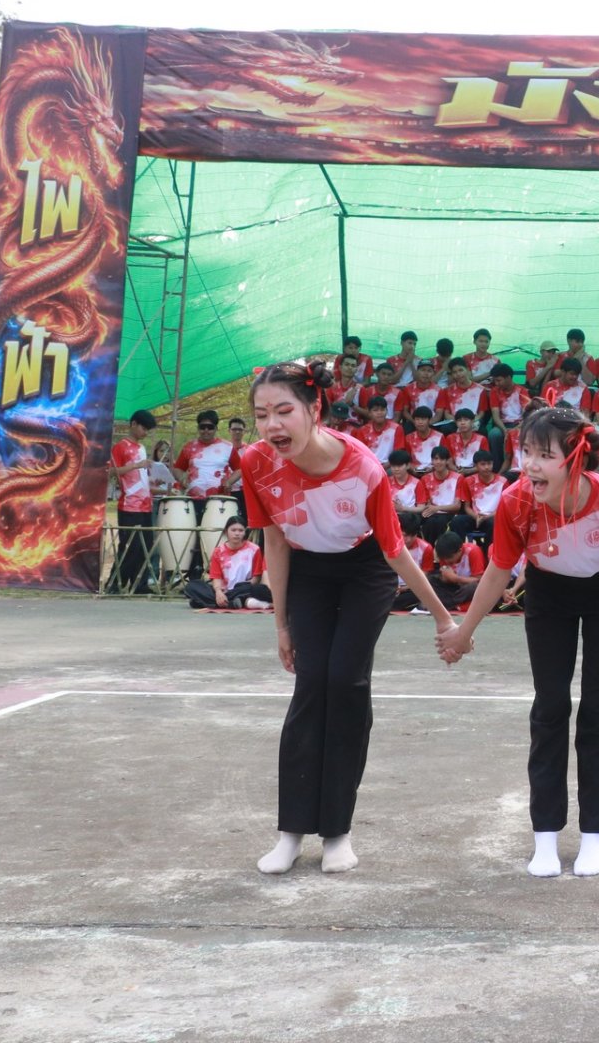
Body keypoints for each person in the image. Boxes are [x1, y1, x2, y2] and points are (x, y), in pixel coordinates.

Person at [438, 406, 599, 878]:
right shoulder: (516, 502)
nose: (530, 465)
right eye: (526, 452)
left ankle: (593, 835)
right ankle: (545, 835)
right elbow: (499, 570)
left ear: (576, 457)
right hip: (549, 593)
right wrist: (464, 631)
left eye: (544, 455)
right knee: (550, 706)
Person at [240, 360, 455, 877]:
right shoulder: (256, 462)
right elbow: (275, 541)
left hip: (365, 570)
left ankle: (337, 831)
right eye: (262, 414)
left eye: (284, 411)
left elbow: (396, 553)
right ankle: (291, 831)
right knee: (311, 681)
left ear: (314, 409)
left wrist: (444, 619)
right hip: (308, 570)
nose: (272, 425)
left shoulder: (363, 468)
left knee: (345, 681)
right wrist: (282, 626)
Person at [109, 409, 158, 595]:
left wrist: (153, 481)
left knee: (145, 546)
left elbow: (139, 476)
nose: (145, 433)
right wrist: (136, 465)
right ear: (133, 424)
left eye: (147, 430)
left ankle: (140, 584)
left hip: (146, 504)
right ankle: (115, 583)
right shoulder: (121, 446)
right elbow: (111, 471)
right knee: (130, 546)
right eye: (143, 428)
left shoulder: (141, 448)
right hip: (129, 505)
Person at [187, 516, 273, 610]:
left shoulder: (254, 549)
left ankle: (215, 602)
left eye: (240, 530)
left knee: (259, 589)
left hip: (244, 588)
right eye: (233, 530)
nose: (237, 533)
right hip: (224, 590)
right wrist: (218, 592)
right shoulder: (218, 551)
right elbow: (216, 578)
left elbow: (256, 578)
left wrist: (241, 588)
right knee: (192, 586)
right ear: (226, 532)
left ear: (245, 532)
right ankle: (233, 601)